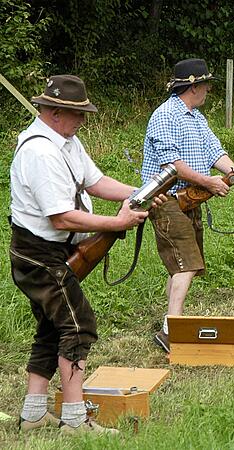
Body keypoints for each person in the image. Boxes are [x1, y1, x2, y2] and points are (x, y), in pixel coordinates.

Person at [10, 75, 154, 434]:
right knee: (78, 326)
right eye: (78, 113)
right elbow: (60, 217)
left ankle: (33, 415)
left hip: (54, 249)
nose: (83, 120)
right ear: (56, 112)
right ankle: (75, 420)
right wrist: (116, 223)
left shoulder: (66, 141)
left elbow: (96, 182)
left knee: (51, 328)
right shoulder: (39, 151)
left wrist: (142, 191)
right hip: (39, 253)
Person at [142, 58, 234, 352]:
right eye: (206, 85)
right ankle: (170, 330)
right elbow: (172, 166)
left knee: (182, 266)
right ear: (194, 86)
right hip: (168, 199)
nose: (208, 91)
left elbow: (216, 151)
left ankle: (170, 321)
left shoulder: (196, 118)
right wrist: (209, 182)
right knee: (186, 264)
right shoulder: (165, 116)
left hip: (189, 199)